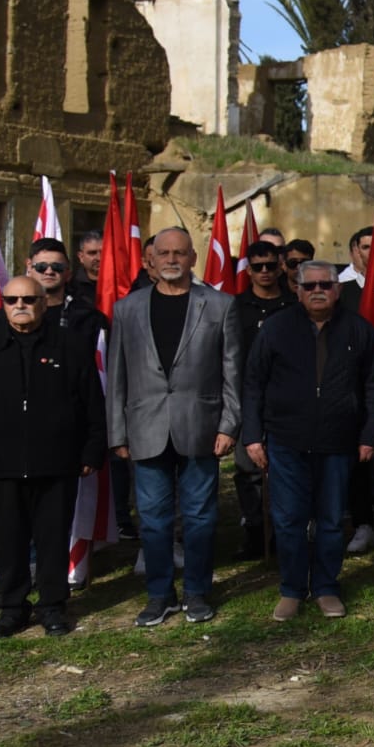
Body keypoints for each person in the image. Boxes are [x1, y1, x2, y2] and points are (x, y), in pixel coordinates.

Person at [107, 228, 240, 627]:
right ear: (150, 260)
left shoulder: (220, 306)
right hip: (145, 429)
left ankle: (197, 593)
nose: (171, 260)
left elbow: (232, 370)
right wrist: (117, 434)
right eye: (163, 253)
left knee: (200, 516)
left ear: (192, 258)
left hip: (201, 426)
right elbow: (117, 376)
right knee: (153, 517)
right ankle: (160, 595)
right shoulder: (126, 309)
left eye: (178, 253)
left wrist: (230, 424)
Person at [0, 276, 105, 638]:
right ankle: (12, 608)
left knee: (53, 537)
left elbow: (92, 403)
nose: (20, 305)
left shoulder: (71, 346)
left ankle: (53, 607)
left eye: (29, 298)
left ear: (44, 303)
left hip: (57, 462)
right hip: (1, 464)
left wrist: (90, 450)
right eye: (12, 300)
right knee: (9, 540)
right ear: (3, 304)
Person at [241, 261, 374, 621]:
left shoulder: (358, 329)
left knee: (332, 519)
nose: (317, 290)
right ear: (297, 290)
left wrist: (369, 435)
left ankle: (325, 586)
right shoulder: (275, 328)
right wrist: (252, 436)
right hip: (286, 440)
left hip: (339, 441)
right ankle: (292, 589)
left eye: (325, 284)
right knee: (289, 518)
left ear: (337, 289)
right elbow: (253, 384)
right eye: (309, 286)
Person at [226, 241, 295, 559]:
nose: (265, 272)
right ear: (248, 269)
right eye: (257, 266)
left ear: (280, 266)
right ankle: (254, 534)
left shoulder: (294, 305)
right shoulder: (234, 307)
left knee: (287, 470)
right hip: (246, 399)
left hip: (286, 400)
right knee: (248, 470)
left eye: (270, 265)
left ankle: (286, 535)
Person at [69, 230, 104, 303]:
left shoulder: (123, 284)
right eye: (92, 253)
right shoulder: (70, 286)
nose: (99, 258)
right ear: (81, 257)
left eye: (104, 252)